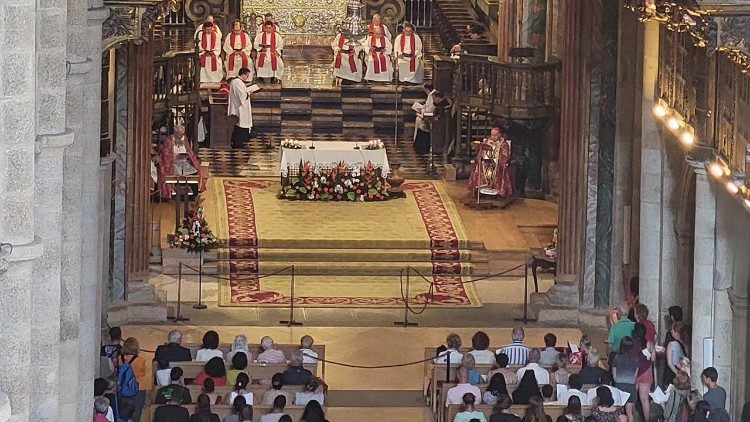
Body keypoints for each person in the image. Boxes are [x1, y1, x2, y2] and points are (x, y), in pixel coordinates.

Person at [156, 124, 205, 199]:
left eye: (182, 134)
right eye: (179, 134)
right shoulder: (169, 140)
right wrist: (174, 157)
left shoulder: (184, 138)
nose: (180, 136)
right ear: (175, 133)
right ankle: (171, 192)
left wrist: (187, 155)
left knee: (195, 169)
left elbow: (189, 150)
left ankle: (192, 194)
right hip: (173, 163)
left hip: (184, 161)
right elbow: (165, 154)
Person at [468, 128, 514, 199]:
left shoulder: (503, 144)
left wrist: (499, 161)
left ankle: (497, 192)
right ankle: (480, 189)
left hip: (497, 164)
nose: (493, 137)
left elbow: (505, 155)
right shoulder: (487, 142)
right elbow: (481, 153)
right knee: (478, 167)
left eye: (495, 135)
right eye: (492, 135)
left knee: (499, 169)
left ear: (499, 135)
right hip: (486, 162)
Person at [611, 336, 638, 420]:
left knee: (620, 412)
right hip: (631, 386)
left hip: (619, 386)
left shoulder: (617, 357)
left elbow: (614, 374)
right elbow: (635, 375)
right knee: (629, 412)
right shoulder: (636, 358)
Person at [228, 67, 255, 149]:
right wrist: (248, 93)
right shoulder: (237, 82)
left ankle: (241, 142)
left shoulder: (237, 82)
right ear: (243, 74)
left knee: (241, 125)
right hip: (240, 108)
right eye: (247, 75)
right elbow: (241, 96)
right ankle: (238, 143)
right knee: (240, 125)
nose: (247, 77)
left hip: (241, 107)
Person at [121, 337, 147, 422]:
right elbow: (143, 373)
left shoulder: (120, 359)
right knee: (136, 412)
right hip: (138, 387)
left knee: (123, 412)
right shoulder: (141, 360)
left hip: (123, 387)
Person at [632, 323, 654, 420]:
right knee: (645, 399)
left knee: (632, 398)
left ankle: (631, 418)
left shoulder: (632, 343)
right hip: (647, 371)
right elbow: (653, 359)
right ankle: (647, 420)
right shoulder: (649, 343)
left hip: (635, 372)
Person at [606, 305, 635, 371]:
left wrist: (608, 356)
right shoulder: (634, 325)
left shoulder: (615, 327)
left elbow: (610, 345)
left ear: (619, 314)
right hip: (631, 355)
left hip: (616, 355)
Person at [663, 321, 688, 387]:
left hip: (672, 372)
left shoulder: (671, 344)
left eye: (672, 330)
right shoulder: (685, 343)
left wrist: (677, 374)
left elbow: (669, 363)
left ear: (676, 331)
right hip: (682, 370)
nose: (671, 331)